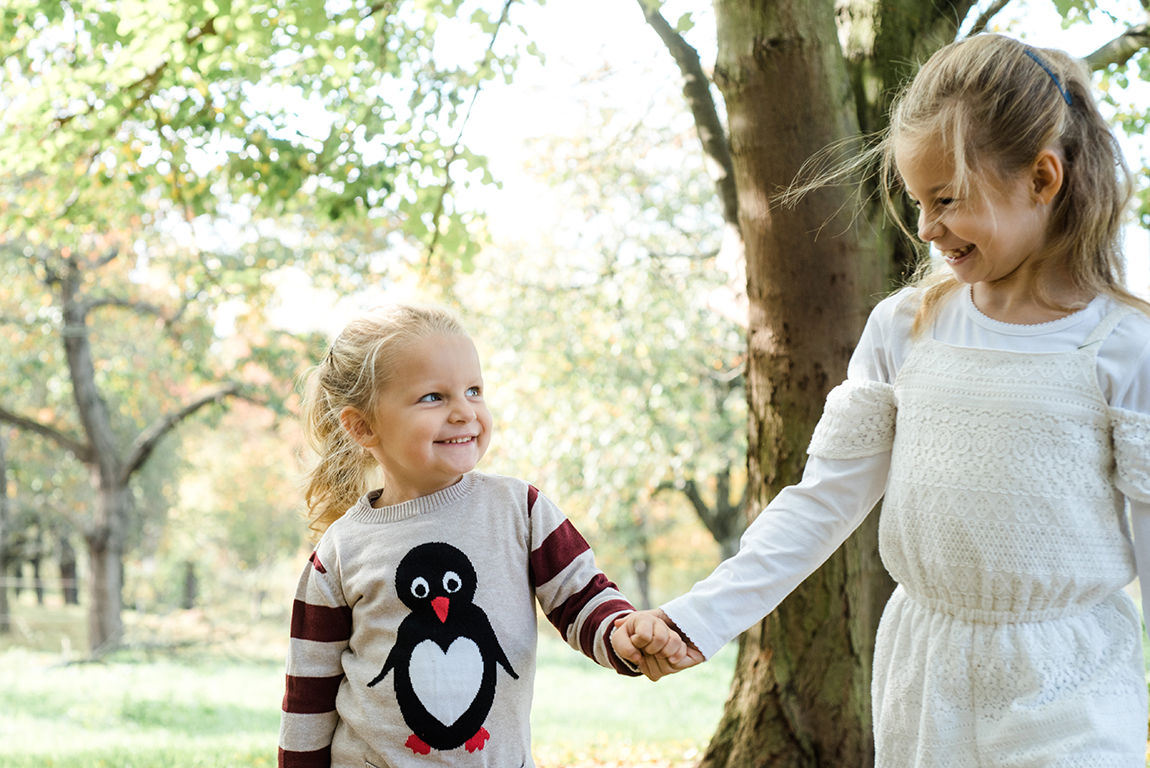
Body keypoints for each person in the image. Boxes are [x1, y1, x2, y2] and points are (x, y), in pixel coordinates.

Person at [613, 32, 1150, 766]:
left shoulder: (1123, 347)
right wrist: (696, 619)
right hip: (927, 680)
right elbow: (821, 501)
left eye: (947, 200)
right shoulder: (907, 327)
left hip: (1072, 682)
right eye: (917, 202)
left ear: (1042, 179)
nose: (926, 228)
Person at [278, 303, 685, 768]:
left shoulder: (519, 510)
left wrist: (622, 631)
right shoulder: (341, 550)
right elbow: (307, 694)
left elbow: (581, 599)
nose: (464, 412)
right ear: (363, 426)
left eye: (474, 390)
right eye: (434, 397)